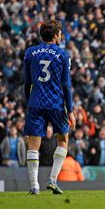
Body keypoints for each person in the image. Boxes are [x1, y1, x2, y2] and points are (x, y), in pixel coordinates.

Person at [24, 20, 76, 195]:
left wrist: (28, 101)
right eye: (60, 33)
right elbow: (67, 86)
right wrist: (71, 110)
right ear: (55, 35)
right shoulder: (63, 55)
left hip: (36, 102)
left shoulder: (30, 53)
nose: (61, 36)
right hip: (56, 103)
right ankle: (52, 180)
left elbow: (26, 82)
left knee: (33, 144)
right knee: (63, 139)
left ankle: (34, 186)